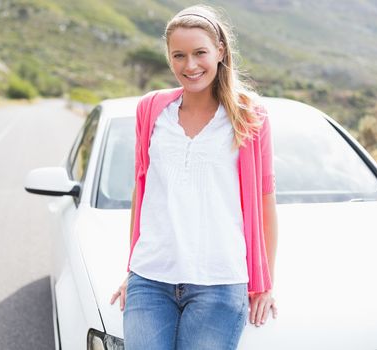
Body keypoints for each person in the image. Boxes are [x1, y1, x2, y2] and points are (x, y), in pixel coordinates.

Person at [110, 4, 278, 349]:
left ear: (220, 50)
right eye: (178, 55)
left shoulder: (250, 116)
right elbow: (143, 193)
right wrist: (132, 269)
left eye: (200, 52)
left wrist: (264, 282)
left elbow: (264, 203)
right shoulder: (152, 109)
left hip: (219, 282)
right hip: (150, 280)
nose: (190, 65)